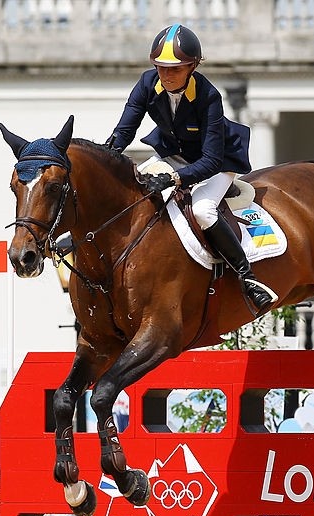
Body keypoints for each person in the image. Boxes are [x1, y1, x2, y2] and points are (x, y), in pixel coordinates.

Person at [104, 23, 277, 315]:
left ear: (192, 66)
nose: (166, 75)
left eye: (175, 68)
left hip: (218, 162)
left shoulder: (209, 96)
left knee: (203, 210)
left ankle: (247, 277)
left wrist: (174, 178)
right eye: (161, 67)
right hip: (175, 154)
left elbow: (210, 160)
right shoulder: (147, 84)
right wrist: (105, 159)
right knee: (132, 187)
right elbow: (124, 132)